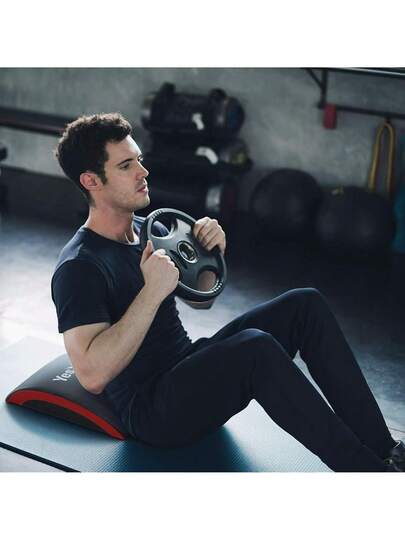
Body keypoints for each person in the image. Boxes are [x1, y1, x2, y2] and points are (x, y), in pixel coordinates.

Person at [51, 112, 404, 472]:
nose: (143, 171)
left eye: (139, 159)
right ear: (91, 180)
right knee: (256, 348)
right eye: (126, 166)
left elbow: (200, 300)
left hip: (187, 368)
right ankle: (369, 476)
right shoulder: (80, 266)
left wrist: (209, 256)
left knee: (305, 305)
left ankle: (386, 450)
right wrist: (151, 293)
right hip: (152, 411)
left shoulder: (147, 230)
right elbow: (92, 376)